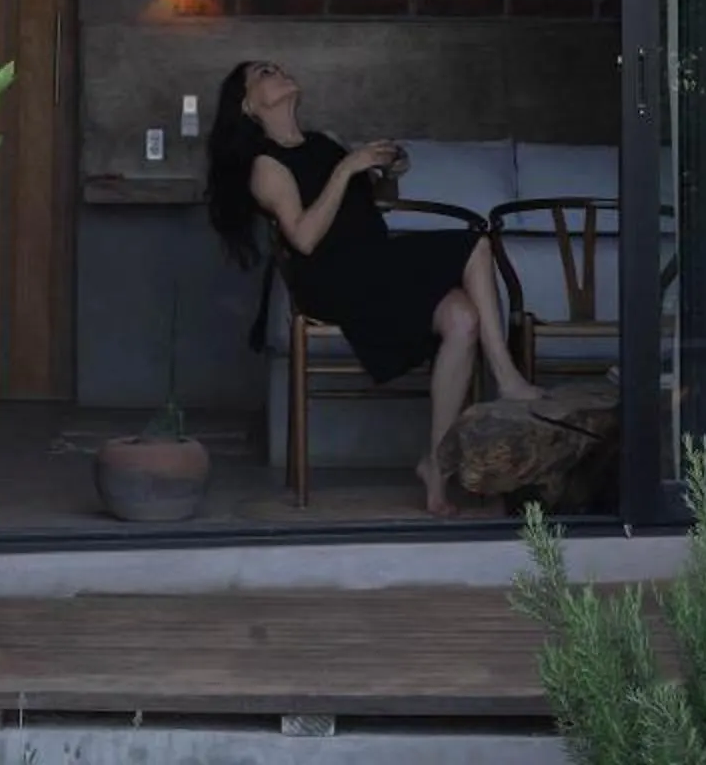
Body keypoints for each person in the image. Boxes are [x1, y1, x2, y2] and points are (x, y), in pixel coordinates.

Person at [205, 59, 540, 515]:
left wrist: (388, 173)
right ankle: (506, 377)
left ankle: (435, 466)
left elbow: (379, 204)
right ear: (248, 105)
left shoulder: (323, 143)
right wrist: (345, 170)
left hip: (374, 260)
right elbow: (303, 238)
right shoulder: (267, 166)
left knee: (463, 319)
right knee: (474, 243)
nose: (279, 72)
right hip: (334, 278)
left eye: (280, 67)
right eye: (265, 73)